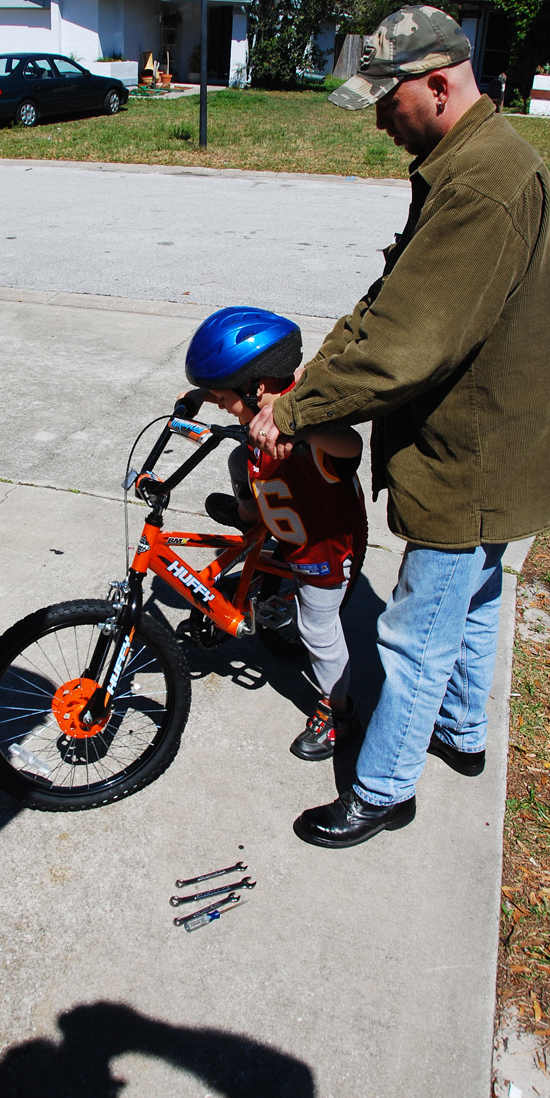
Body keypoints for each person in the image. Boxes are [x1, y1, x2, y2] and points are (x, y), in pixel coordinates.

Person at [248, 6, 550, 849]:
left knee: (410, 634)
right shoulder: (468, 162)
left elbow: (402, 347)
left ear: (438, 83)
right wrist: (307, 381)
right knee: (472, 600)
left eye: (386, 100)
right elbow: (387, 303)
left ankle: (384, 790)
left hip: (472, 455)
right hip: (501, 441)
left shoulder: (480, 184)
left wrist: (293, 411)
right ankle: (461, 734)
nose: (378, 119)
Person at [183, 306, 368, 760]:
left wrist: (305, 428)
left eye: (225, 396)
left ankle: (339, 710)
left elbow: (350, 448)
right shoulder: (253, 400)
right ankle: (252, 518)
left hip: (324, 545)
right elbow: (221, 395)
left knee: (317, 628)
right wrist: (195, 398)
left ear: (257, 386)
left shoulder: (305, 429)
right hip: (288, 515)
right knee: (235, 456)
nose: (221, 402)